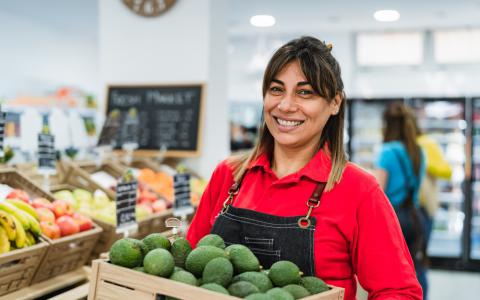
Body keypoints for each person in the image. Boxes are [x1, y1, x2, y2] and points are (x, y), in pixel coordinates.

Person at [187, 36, 422, 300]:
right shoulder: (229, 175)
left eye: (305, 92)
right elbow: (188, 266)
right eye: (276, 89)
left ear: (334, 103)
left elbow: (399, 292)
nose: (285, 105)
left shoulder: (358, 190)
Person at [374, 102, 427, 298]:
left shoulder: (387, 151)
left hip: (393, 219)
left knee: (391, 275)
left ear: (388, 125)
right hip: (415, 216)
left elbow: (377, 191)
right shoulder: (418, 151)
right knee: (413, 270)